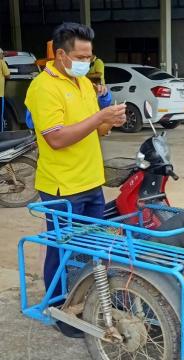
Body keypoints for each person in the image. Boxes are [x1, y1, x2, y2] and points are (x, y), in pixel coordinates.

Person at [25, 22, 126, 337]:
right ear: (60, 54)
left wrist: (110, 118)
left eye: (90, 56)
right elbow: (56, 139)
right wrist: (99, 117)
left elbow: (95, 130)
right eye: (81, 55)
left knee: (90, 250)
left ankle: (86, 302)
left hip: (90, 181)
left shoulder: (83, 84)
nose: (87, 61)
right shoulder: (44, 87)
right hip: (61, 187)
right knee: (63, 250)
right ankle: (60, 311)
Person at [0, 48, 11, 129]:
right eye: (2, 54)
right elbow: (7, 75)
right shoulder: (1, 62)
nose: (3, 56)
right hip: (0, 94)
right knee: (1, 115)